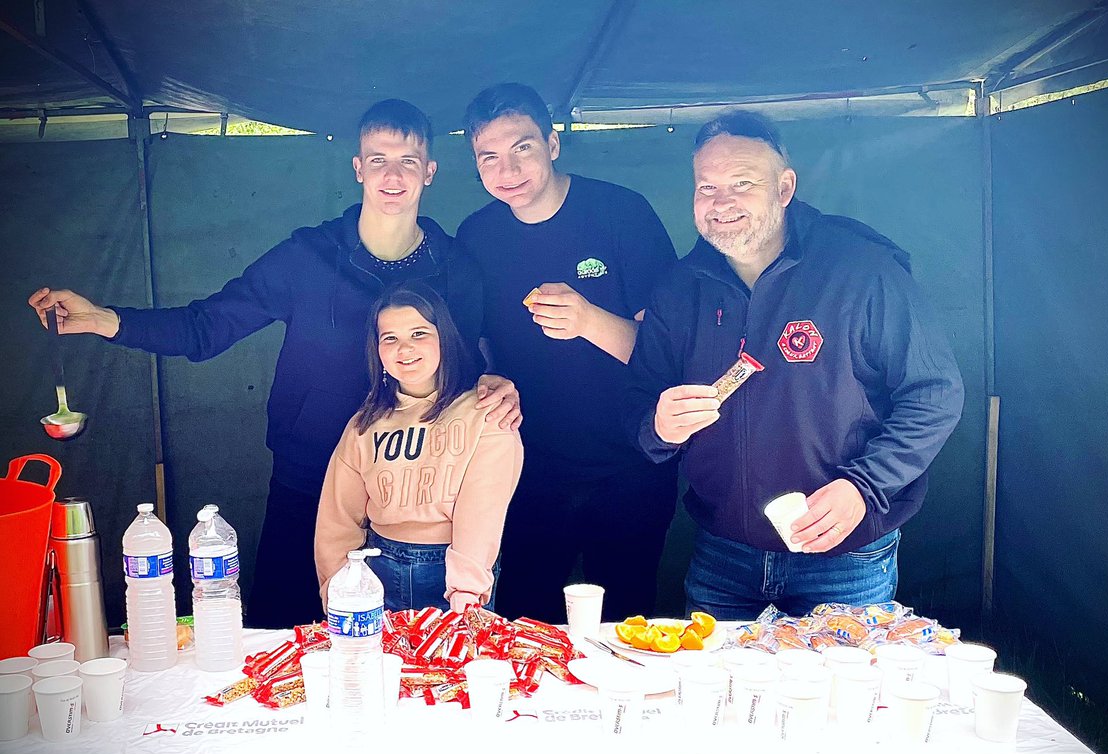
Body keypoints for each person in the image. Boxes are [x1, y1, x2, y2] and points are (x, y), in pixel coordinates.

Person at [27, 99, 520, 630]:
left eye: (407, 160)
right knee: (283, 636)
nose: (392, 175)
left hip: (416, 504)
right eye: (378, 159)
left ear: (430, 171)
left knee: (416, 659)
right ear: (358, 168)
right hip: (308, 480)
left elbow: (467, 371)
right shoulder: (307, 257)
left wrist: (501, 382)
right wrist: (104, 319)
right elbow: (206, 327)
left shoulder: (456, 270)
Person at [624, 110, 964, 754]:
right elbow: (635, 416)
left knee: (837, 740)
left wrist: (864, 488)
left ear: (785, 185)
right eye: (705, 186)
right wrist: (659, 424)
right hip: (724, 553)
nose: (719, 202)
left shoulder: (860, 270)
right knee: (711, 722)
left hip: (845, 556)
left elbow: (935, 393)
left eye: (740, 183)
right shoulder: (681, 288)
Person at [455, 82, 679, 628]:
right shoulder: (476, 236)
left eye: (522, 147)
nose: (507, 170)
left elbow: (670, 358)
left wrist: (588, 320)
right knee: (524, 629)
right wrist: (489, 380)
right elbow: (474, 351)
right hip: (529, 469)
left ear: (553, 144)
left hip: (631, 466)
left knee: (626, 631)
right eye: (489, 156)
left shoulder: (621, 214)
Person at [314, 284, 522, 613]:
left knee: (450, 664)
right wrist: (339, 591)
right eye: (390, 338)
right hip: (376, 569)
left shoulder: (487, 412)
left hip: (452, 571)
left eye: (419, 333)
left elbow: (482, 515)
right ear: (377, 351)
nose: (404, 348)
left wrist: (465, 597)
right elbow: (337, 518)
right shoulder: (364, 424)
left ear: (445, 338)